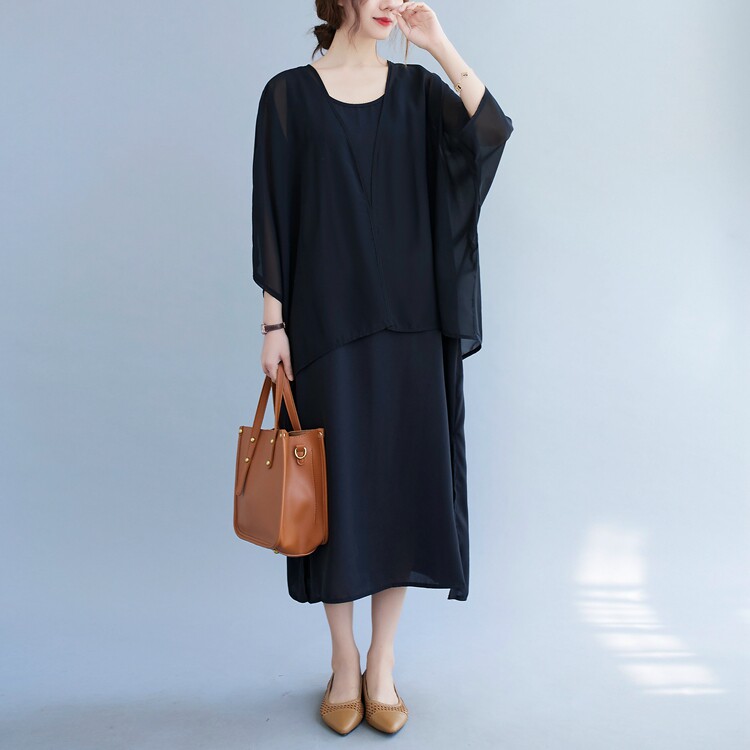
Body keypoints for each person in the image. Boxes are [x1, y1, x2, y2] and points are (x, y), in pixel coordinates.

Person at [251, 0, 513, 735]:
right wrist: (273, 324)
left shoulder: (420, 93)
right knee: (336, 500)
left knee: (397, 494)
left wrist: (438, 44)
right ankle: (343, 662)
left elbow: (489, 128)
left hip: (412, 328)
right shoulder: (287, 97)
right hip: (326, 328)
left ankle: (383, 664)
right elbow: (273, 213)